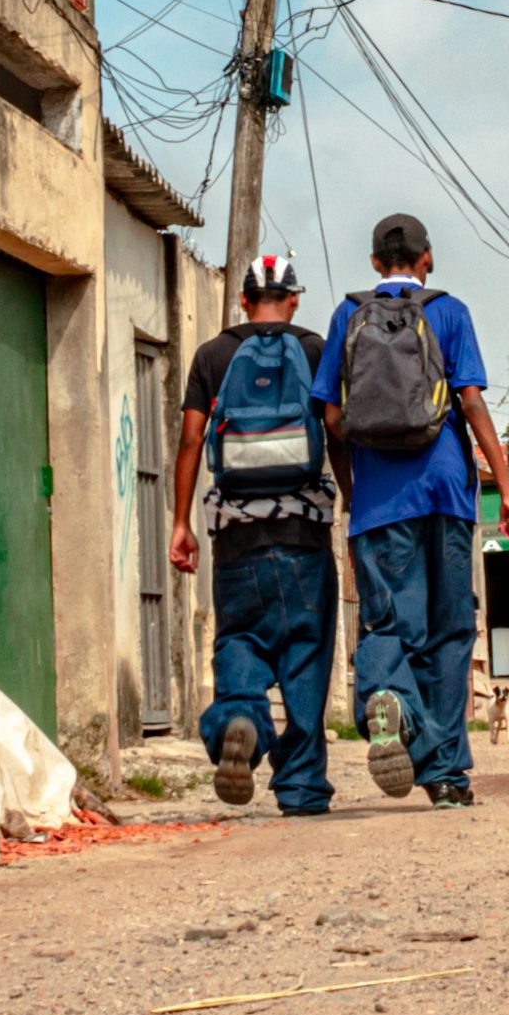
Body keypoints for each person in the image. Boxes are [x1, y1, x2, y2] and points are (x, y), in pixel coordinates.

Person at [312, 213, 509, 808]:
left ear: (376, 261)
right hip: (448, 494)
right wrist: (506, 490)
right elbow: (473, 403)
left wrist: (353, 488)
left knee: (389, 624)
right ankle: (449, 777)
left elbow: (331, 416)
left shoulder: (347, 315)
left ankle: (391, 702)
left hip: (381, 502)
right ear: (427, 258)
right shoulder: (450, 312)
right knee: (451, 632)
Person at [169, 253, 350, 815]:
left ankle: (241, 717)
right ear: (293, 298)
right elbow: (338, 433)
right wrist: (352, 501)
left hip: (236, 545)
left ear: (242, 299)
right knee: (306, 655)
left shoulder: (213, 355)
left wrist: (182, 524)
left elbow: (192, 442)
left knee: (240, 642)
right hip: (304, 540)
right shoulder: (315, 350)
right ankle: (299, 787)